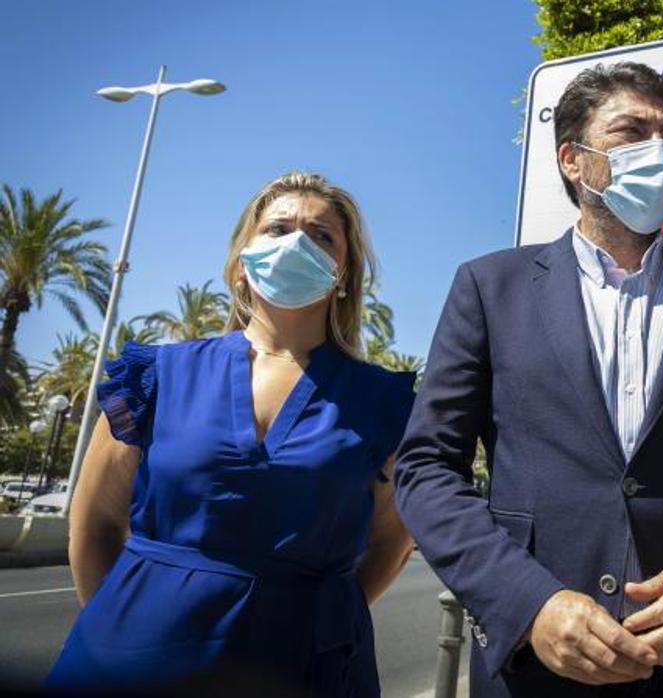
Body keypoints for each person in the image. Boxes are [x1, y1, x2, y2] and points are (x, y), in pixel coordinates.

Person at [392, 62, 663, 697]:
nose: (661, 150)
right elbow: (426, 467)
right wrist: (528, 603)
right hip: (536, 666)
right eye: (632, 131)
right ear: (574, 160)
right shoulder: (490, 288)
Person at [46, 172, 418, 695]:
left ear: (344, 275)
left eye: (321, 236)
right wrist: (122, 633)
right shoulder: (156, 377)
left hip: (304, 672)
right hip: (126, 666)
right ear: (240, 262)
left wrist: (319, 620)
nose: (295, 244)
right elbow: (94, 525)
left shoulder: (385, 405)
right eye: (278, 228)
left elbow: (392, 540)